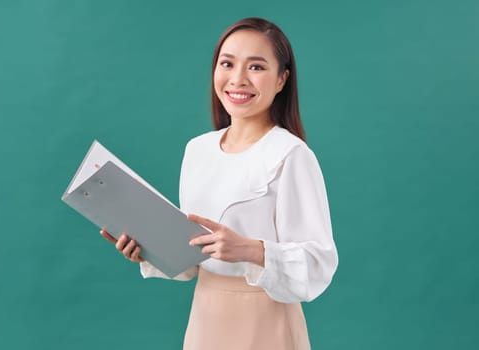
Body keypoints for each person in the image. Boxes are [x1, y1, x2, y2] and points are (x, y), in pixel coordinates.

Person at [100, 17, 338, 350]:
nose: (238, 79)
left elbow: (317, 265)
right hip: (205, 319)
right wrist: (148, 252)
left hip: (267, 323)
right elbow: (191, 260)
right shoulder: (198, 150)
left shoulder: (290, 155)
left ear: (282, 79)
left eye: (256, 67)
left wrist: (250, 249)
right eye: (227, 63)